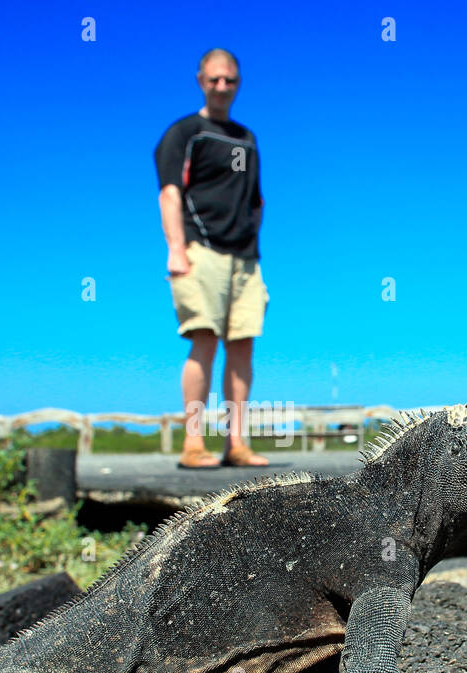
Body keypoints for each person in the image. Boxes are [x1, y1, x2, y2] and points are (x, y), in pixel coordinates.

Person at [154, 48, 270, 469]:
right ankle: (193, 444)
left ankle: (235, 445)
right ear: (201, 79)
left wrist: (252, 245)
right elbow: (170, 192)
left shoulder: (246, 139)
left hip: (245, 258)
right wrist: (176, 249)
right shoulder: (184, 133)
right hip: (199, 251)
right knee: (204, 339)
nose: (222, 86)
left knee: (242, 345)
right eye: (215, 79)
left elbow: (256, 199)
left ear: (238, 84)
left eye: (230, 80)